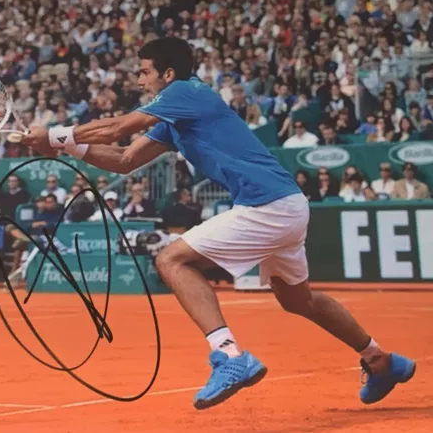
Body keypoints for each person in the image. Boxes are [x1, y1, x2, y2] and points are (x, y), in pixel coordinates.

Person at [23, 37, 415, 409]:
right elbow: (125, 159)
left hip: (269, 206)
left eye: (145, 71)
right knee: (299, 300)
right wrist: (70, 147)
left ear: (168, 74)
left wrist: (56, 135)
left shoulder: (184, 92)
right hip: (287, 205)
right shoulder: (174, 116)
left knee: (171, 260)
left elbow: (119, 127)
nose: (139, 79)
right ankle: (381, 359)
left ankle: (229, 356)